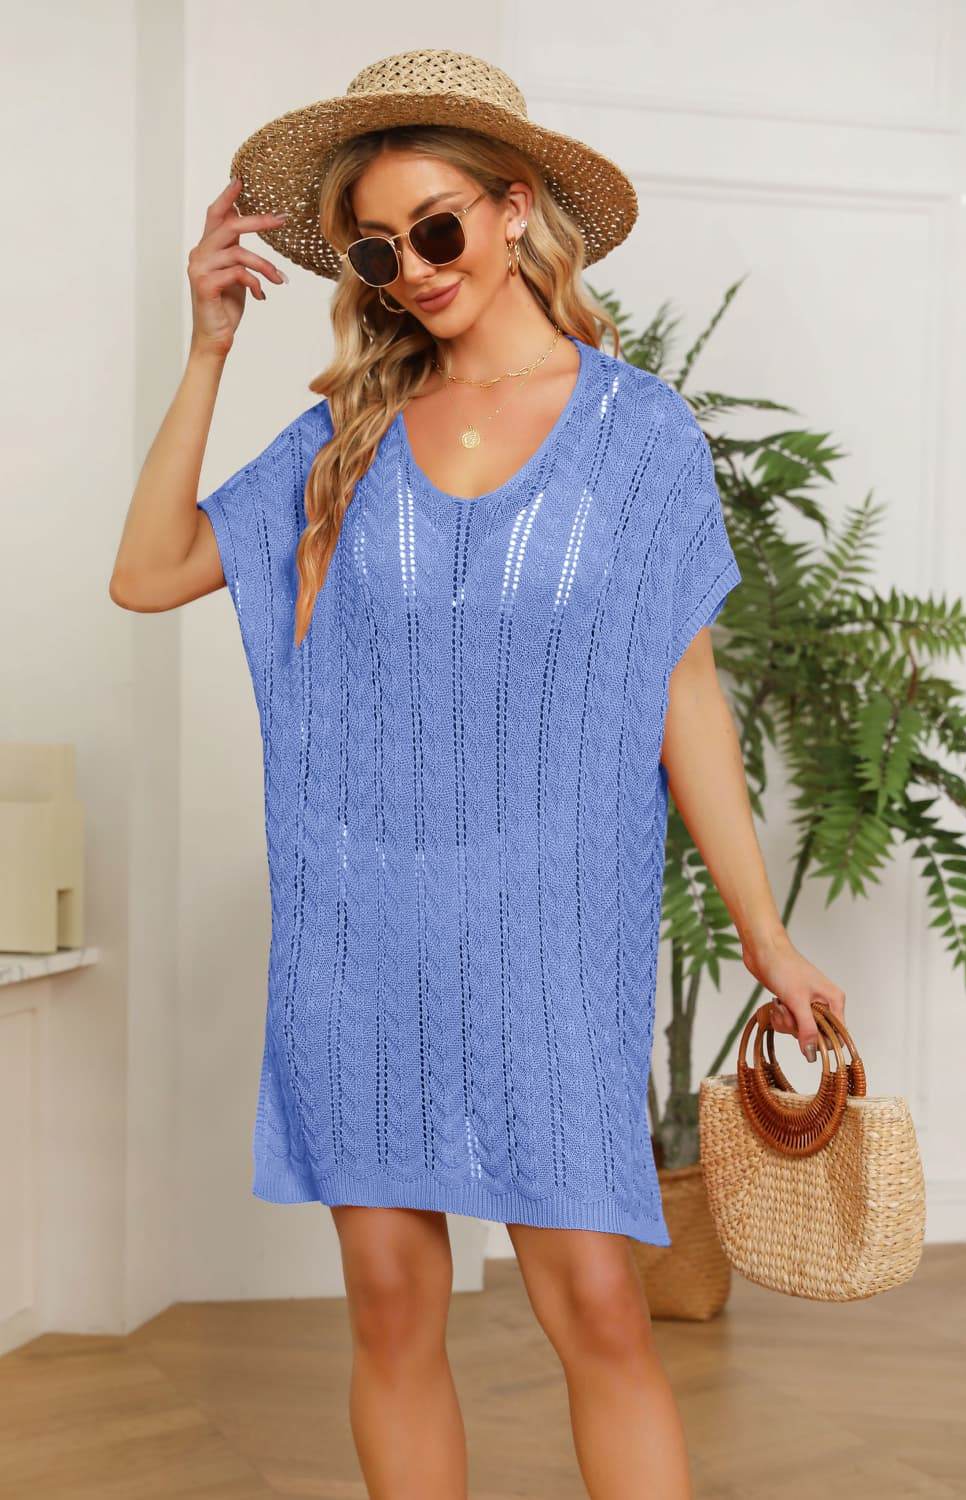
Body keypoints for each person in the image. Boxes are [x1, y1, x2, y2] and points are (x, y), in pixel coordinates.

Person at [109, 48, 845, 1500]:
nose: (416, 268)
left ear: (514, 210)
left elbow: (682, 691)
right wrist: (206, 349)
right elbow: (148, 572)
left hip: (548, 934)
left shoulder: (636, 434)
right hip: (363, 932)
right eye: (379, 250)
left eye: (437, 226)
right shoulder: (348, 436)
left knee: (598, 1308)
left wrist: (763, 934)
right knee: (391, 1309)